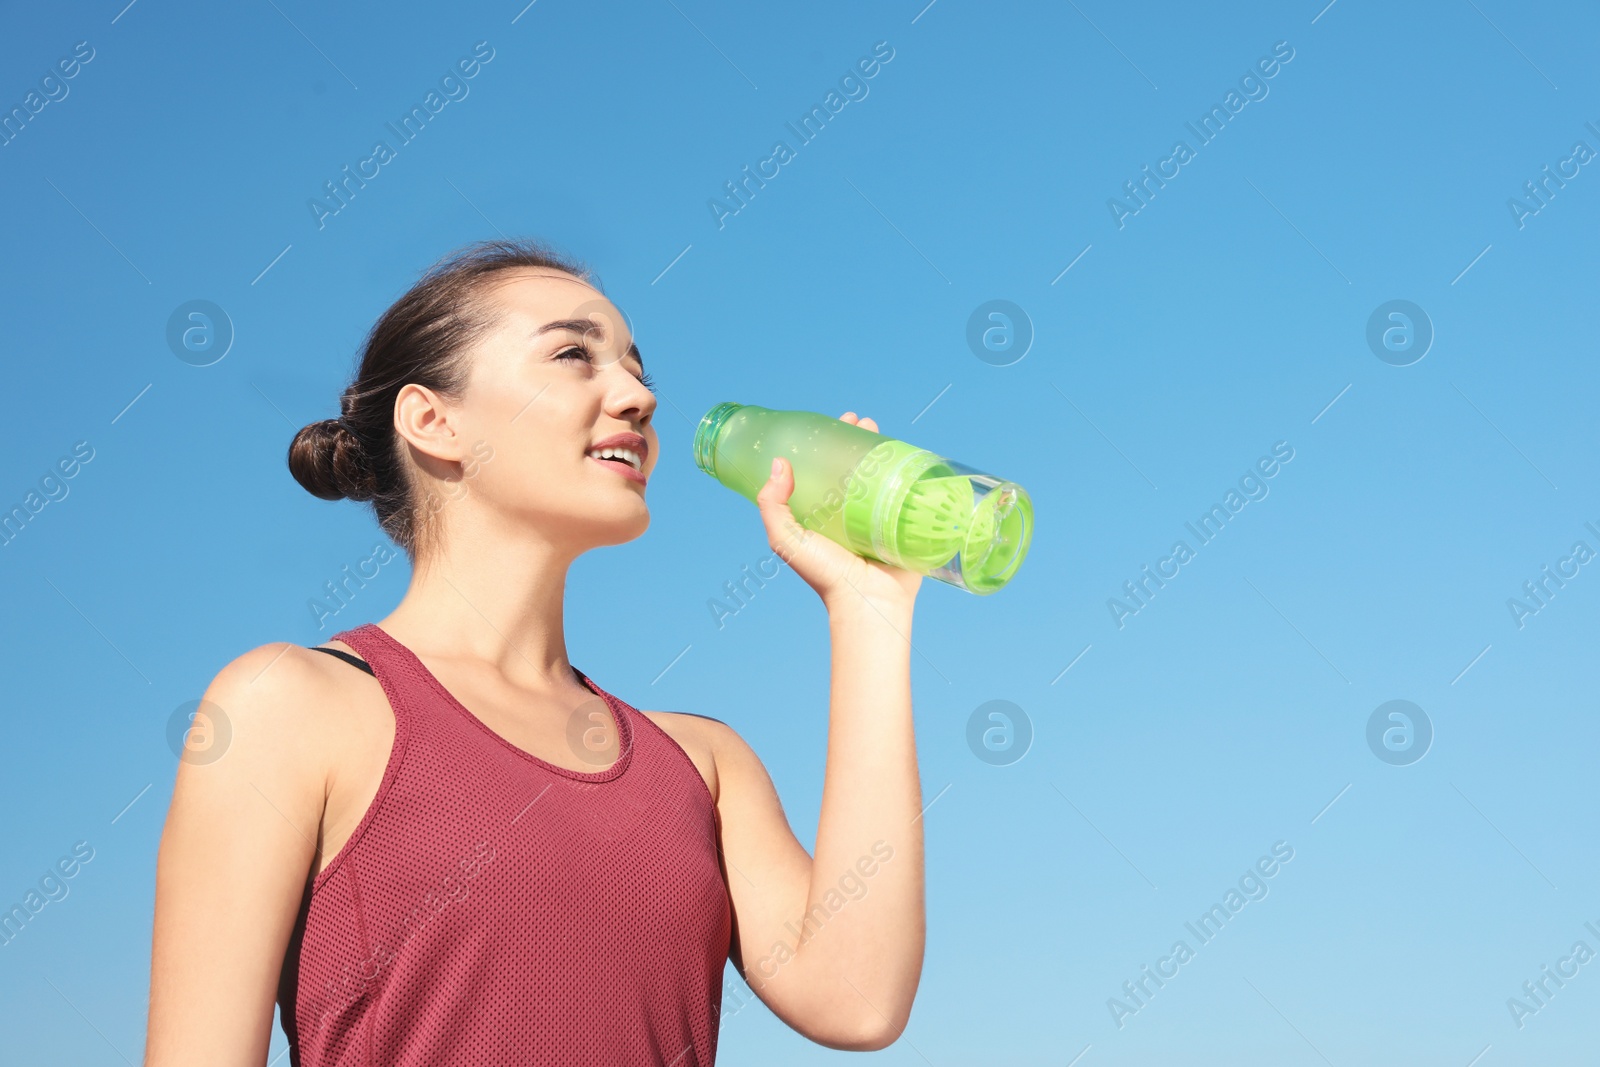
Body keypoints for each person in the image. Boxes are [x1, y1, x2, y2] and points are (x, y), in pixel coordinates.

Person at [144, 237, 926, 1065]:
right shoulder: (291, 706)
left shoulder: (702, 764)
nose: (635, 395)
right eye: (572, 355)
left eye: (636, 367)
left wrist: (868, 612)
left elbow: (858, 997)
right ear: (433, 420)